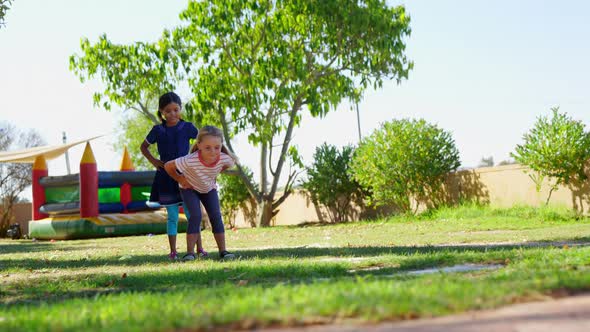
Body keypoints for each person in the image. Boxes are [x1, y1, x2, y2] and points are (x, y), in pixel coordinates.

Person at [140, 92, 200, 261]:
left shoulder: (188, 127)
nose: (172, 113)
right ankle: (173, 251)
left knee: (192, 214)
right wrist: (154, 161)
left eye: (176, 109)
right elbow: (143, 147)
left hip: (186, 174)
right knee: (172, 216)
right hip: (166, 176)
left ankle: (198, 248)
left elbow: (202, 142)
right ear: (161, 112)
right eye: (168, 111)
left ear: (180, 109)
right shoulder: (157, 130)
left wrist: (194, 161)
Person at [164, 125, 237, 260]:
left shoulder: (224, 158)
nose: (213, 151)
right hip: (189, 189)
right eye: (208, 147)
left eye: (217, 147)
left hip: (208, 189)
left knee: (216, 216)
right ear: (199, 145)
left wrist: (214, 173)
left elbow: (230, 163)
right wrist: (181, 179)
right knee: (196, 216)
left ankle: (223, 251)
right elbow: (168, 166)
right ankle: (190, 253)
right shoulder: (190, 159)